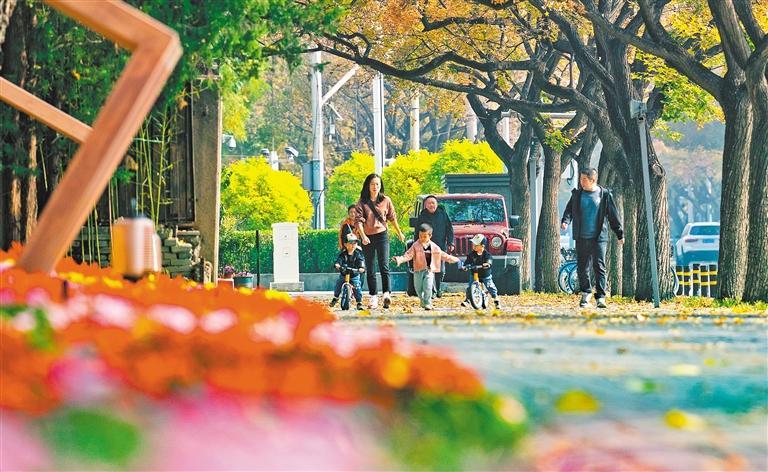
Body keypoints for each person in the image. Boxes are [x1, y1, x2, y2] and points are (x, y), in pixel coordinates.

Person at [561, 167, 624, 308]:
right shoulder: (577, 195)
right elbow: (569, 210)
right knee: (582, 268)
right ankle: (586, 294)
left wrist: (619, 233)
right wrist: (565, 221)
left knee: (599, 267)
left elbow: (613, 215)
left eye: (584, 179)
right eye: (580, 179)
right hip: (582, 237)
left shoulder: (604, 195)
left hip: (599, 238)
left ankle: (601, 297)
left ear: (593, 180)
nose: (581, 182)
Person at [355, 173, 406, 309]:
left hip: (382, 235)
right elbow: (358, 221)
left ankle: (386, 294)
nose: (375, 187)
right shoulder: (362, 202)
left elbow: (392, 217)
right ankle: (373, 297)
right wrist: (363, 236)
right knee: (370, 267)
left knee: (384, 265)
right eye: (372, 184)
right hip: (367, 237)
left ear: (380, 186)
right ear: (368, 186)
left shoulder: (386, 200)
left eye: (377, 184)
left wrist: (399, 232)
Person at [392, 223, 461, 310]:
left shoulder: (434, 247)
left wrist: (454, 259)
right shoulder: (415, 245)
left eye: (424, 236)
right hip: (418, 271)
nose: (422, 238)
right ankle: (422, 300)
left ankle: (428, 303)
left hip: (429, 270)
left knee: (428, 287)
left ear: (430, 236)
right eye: (420, 236)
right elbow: (408, 255)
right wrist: (399, 259)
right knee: (418, 288)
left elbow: (443, 255)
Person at [413, 195, 454, 297]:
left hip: (440, 246)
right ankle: (432, 291)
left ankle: (438, 288)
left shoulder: (443, 214)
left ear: (436, 204)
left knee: (441, 270)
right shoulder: (422, 216)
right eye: (429, 203)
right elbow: (417, 232)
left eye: (433, 203)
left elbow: (449, 229)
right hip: (426, 247)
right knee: (429, 269)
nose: (431, 205)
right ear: (426, 205)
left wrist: (450, 242)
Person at [461, 234, 500, 309]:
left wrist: (488, 263)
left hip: (485, 274)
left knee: (490, 286)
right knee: (470, 287)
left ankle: (496, 299)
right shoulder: (471, 254)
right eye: (473, 244)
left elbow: (489, 260)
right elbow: (467, 262)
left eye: (476, 245)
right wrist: (465, 266)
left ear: (482, 246)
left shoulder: (486, 254)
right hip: (474, 273)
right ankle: (468, 300)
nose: (474, 246)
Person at [330, 233, 366, 310]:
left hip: (354, 274)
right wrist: (337, 265)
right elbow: (338, 261)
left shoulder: (358, 254)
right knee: (339, 284)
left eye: (355, 243)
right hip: (344, 274)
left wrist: (361, 268)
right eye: (350, 243)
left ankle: (359, 302)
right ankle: (336, 297)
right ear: (345, 244)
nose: (353, 245)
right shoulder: (343, 254)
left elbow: (361, 262)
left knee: (357, 287)